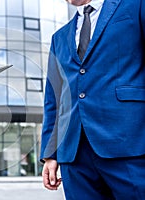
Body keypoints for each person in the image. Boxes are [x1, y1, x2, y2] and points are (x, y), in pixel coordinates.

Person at [40, 0, 145, 199]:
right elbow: (53, 99)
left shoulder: (135, 6)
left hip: (130, 145)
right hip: (74, 153)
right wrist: (50, 154)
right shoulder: (59, 38)